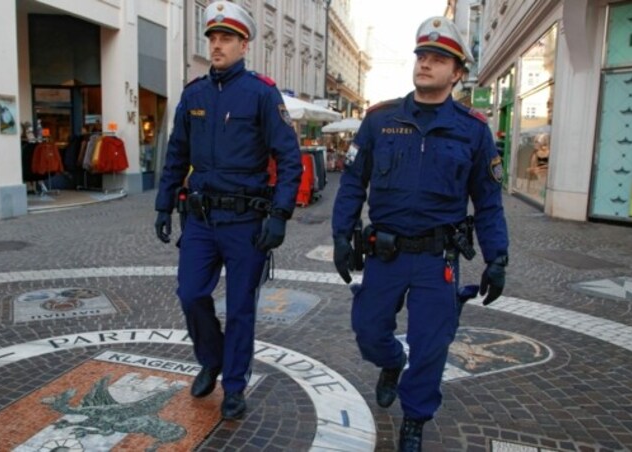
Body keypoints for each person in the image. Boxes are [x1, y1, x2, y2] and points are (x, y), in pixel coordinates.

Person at [331, 16, 509, 451]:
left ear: (458, 73)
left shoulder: (473, 130)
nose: (426, 64)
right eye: (422, 56)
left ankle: (415, 417)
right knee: (370, 333)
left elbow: (487, 200)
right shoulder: (380, 120)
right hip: (385, 254)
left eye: (438, 59)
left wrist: (497, 257)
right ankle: (391, 363)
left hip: (436, 259)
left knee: (431, 344)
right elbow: (353, 181)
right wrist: (341, 234)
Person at [154, 1, 302, 420]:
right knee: (191, 293)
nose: (217, 45)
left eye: (226, 39)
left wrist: (280, 215)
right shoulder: (194, 93)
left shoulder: (261, 92)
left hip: (246, 223)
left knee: (240, 308)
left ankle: (234, 386)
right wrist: (164, 204)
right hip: (200, 220)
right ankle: (211, 358)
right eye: (213, 38)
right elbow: (177, 153)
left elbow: (289, 158)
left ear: (243, 44)